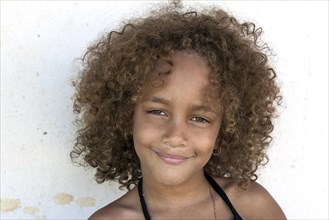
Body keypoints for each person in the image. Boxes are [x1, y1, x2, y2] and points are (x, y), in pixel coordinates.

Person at [71, 1, 286, 219]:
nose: (175, 136)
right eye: (157, 111)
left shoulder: (252, 205)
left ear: (225, 129)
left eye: (199, 118)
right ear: (126, 116)